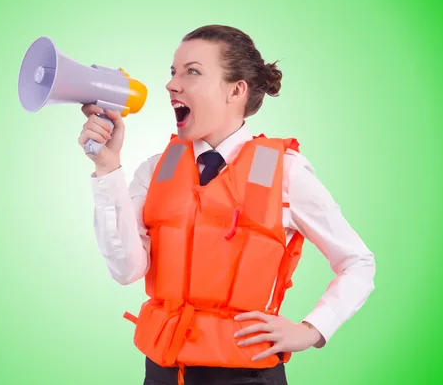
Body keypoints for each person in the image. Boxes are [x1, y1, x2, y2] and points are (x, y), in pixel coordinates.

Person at [78, 25, 376, 385]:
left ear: (236, 90)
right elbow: (126, 270)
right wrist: (107, 168)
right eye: (173, 72)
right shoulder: (157, 168)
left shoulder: (283, 170)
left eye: (192, 71)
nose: (172, 85)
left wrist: (313, 330)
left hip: (246, 374)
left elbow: (357, 263)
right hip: (162, 373)